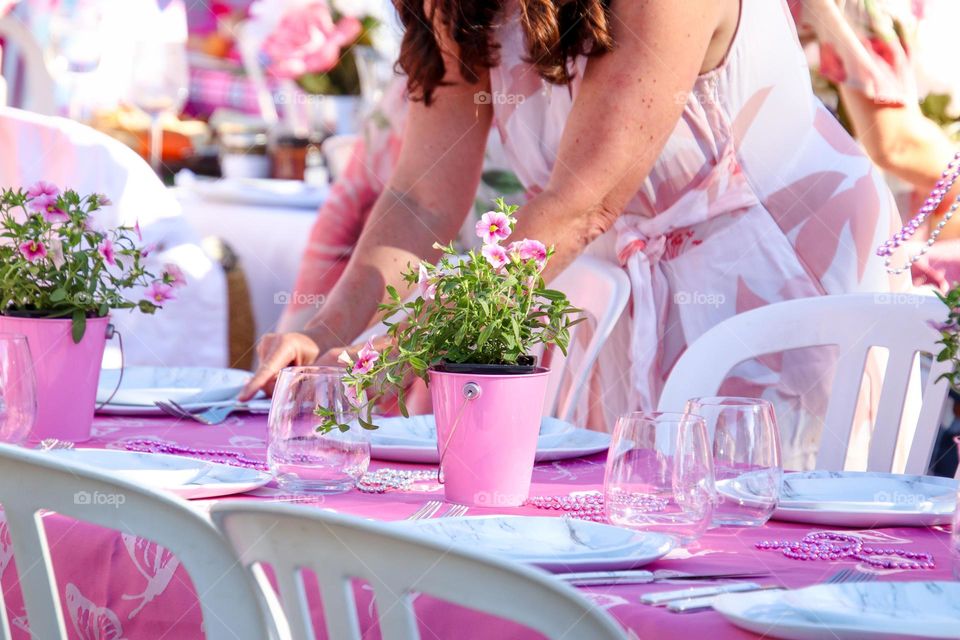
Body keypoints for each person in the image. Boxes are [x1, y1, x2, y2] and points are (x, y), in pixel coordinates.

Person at [241, 0, 907, 469]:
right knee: (632, 538)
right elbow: (419, 199)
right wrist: (323, 335)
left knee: (758, 545)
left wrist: (401, 350)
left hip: (784, 273)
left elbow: (580, 202)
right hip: (626, 284)